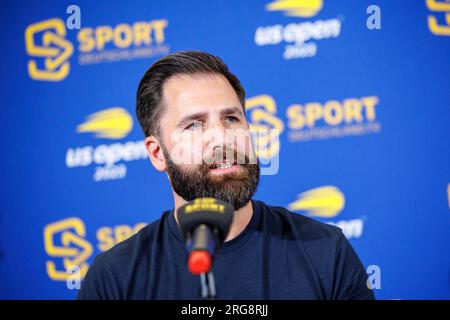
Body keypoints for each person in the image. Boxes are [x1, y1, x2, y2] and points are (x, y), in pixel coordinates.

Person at [77, 51, 375, 300]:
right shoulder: (115, 279)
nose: (222, 139)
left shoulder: (325, 251)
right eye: (194, 125)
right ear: (157, 153)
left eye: (231, 118)